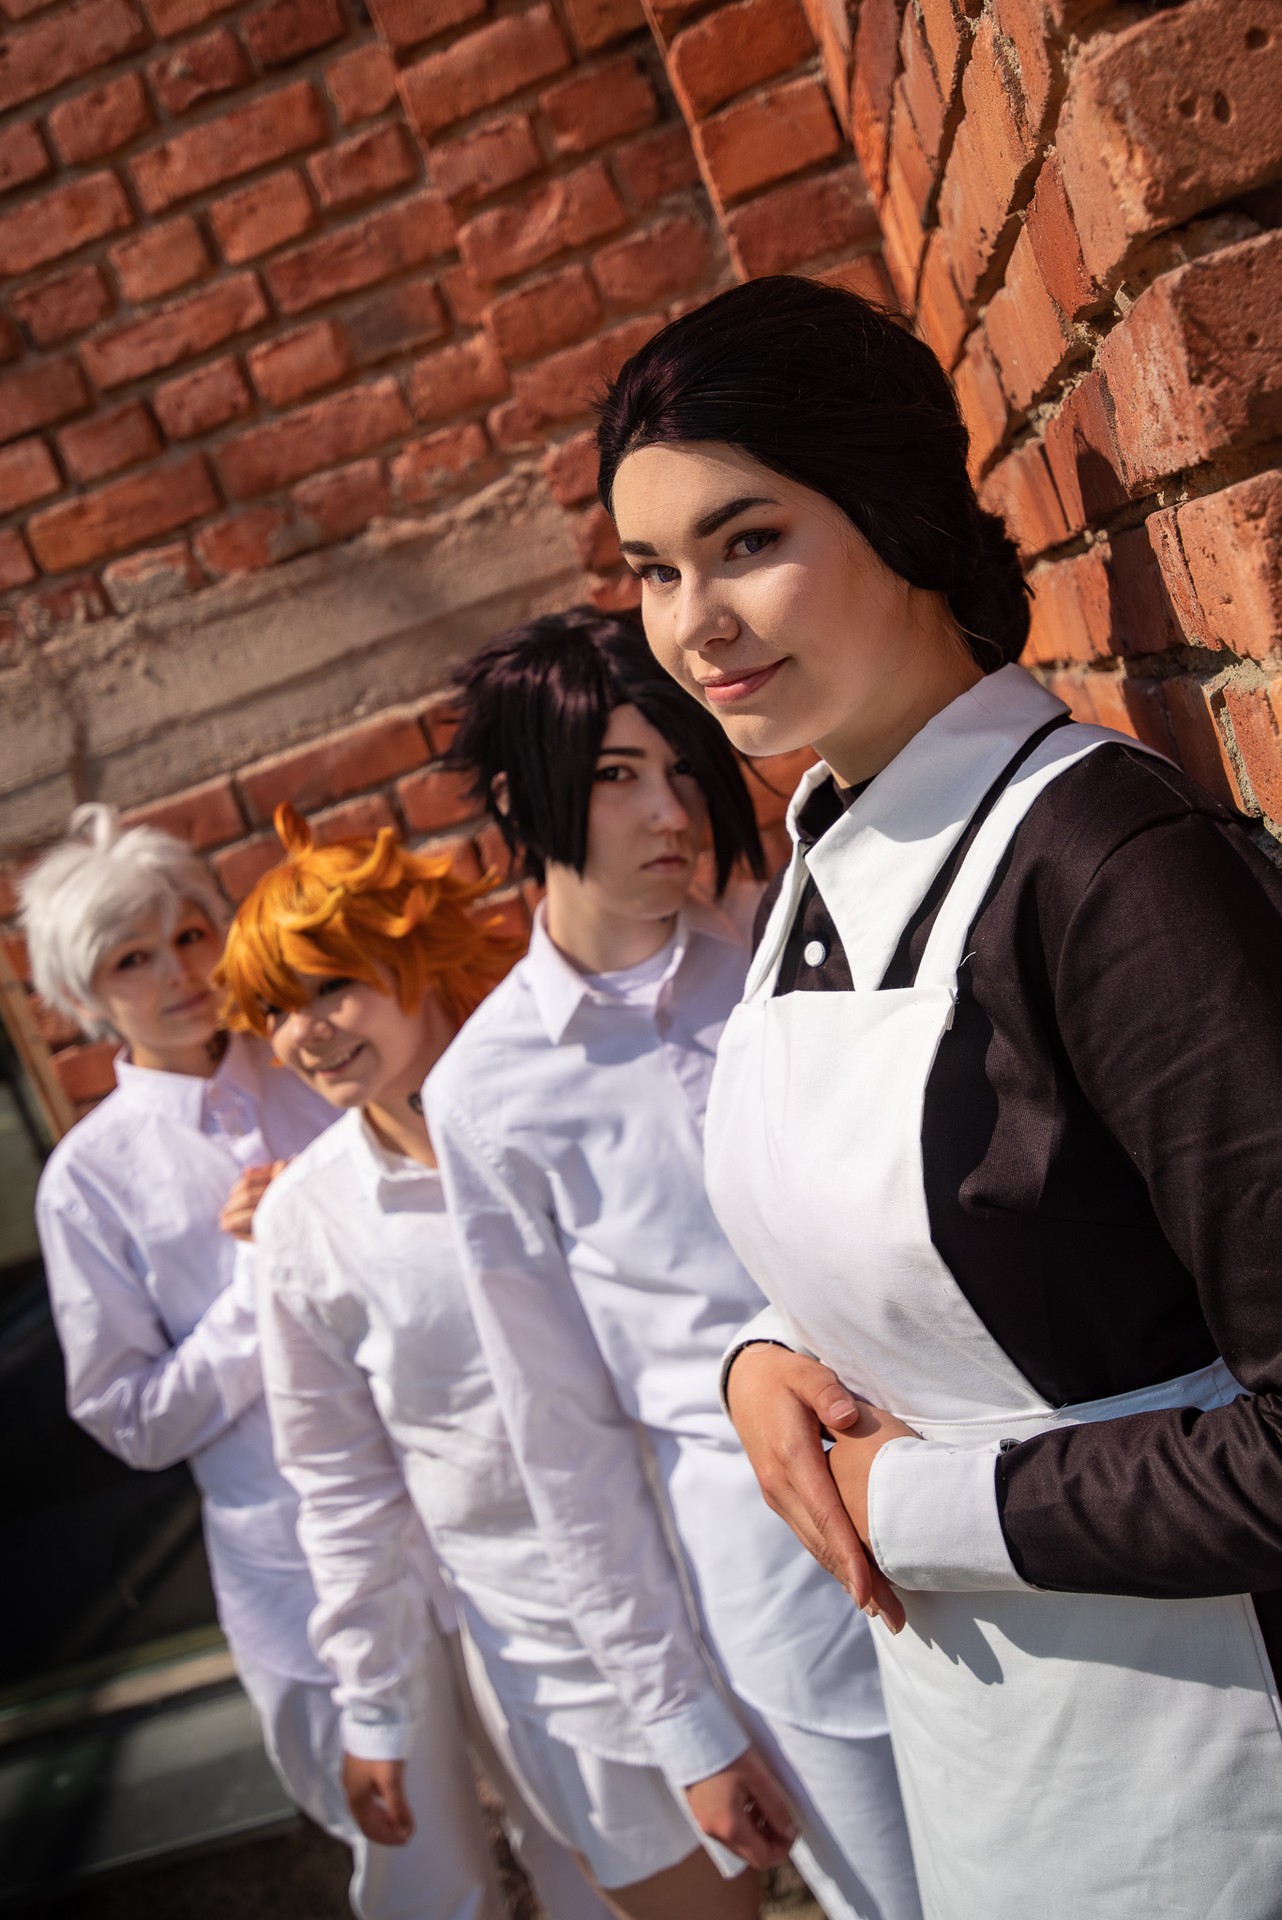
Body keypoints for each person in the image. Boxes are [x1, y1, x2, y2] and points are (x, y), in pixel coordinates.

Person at [594, 270, 1282, 1920]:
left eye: (746, 541)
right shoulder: (825, 841)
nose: (693, 624)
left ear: (893, 510)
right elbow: (964, 1233)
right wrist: (765, 1360)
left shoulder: (1104, 872)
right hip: (983, 1750)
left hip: (1211, 1759)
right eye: (653, 570)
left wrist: (901, 1504)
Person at [425, 609, 921, 1920]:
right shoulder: (487, 1094)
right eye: (614, 776)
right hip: (783, 1600)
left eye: (679, 768)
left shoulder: (793, 936)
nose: (669, 812)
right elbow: (564, 1438)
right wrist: (685, 1725)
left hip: (963, 1494)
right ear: (525, 795)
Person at [219, 804, 782, 1920]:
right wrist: (373, 1708)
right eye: (275, 1011)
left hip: (750, 1576)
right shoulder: (304, 1225)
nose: (305, 1033)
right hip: (562, 1658)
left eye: (332, 986)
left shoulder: (559, 1095)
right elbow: (340, 1487)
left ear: (414, 955)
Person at [24, 805, 527, 1920]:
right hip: (302, 1585)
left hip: (481, 1532)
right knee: (426, 1885)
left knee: (585, 1836)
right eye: (131, 959)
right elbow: (132, 1419)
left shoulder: (323, 1059)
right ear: (80, 994)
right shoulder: (88, 1180)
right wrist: (266, 1273)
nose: (177, 973)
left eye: (189, 934)